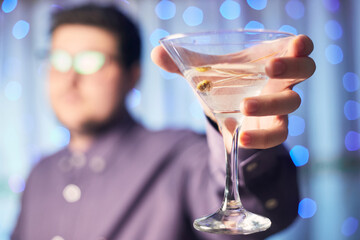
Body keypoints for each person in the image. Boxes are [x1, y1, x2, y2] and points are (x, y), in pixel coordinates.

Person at [11, 4, 315, 240]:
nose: (70, 78)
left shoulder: (180, 153)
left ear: (133, 75)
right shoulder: (40, 173)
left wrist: (238, 132)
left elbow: (241, 229)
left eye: (91, 61)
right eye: (58, 61)